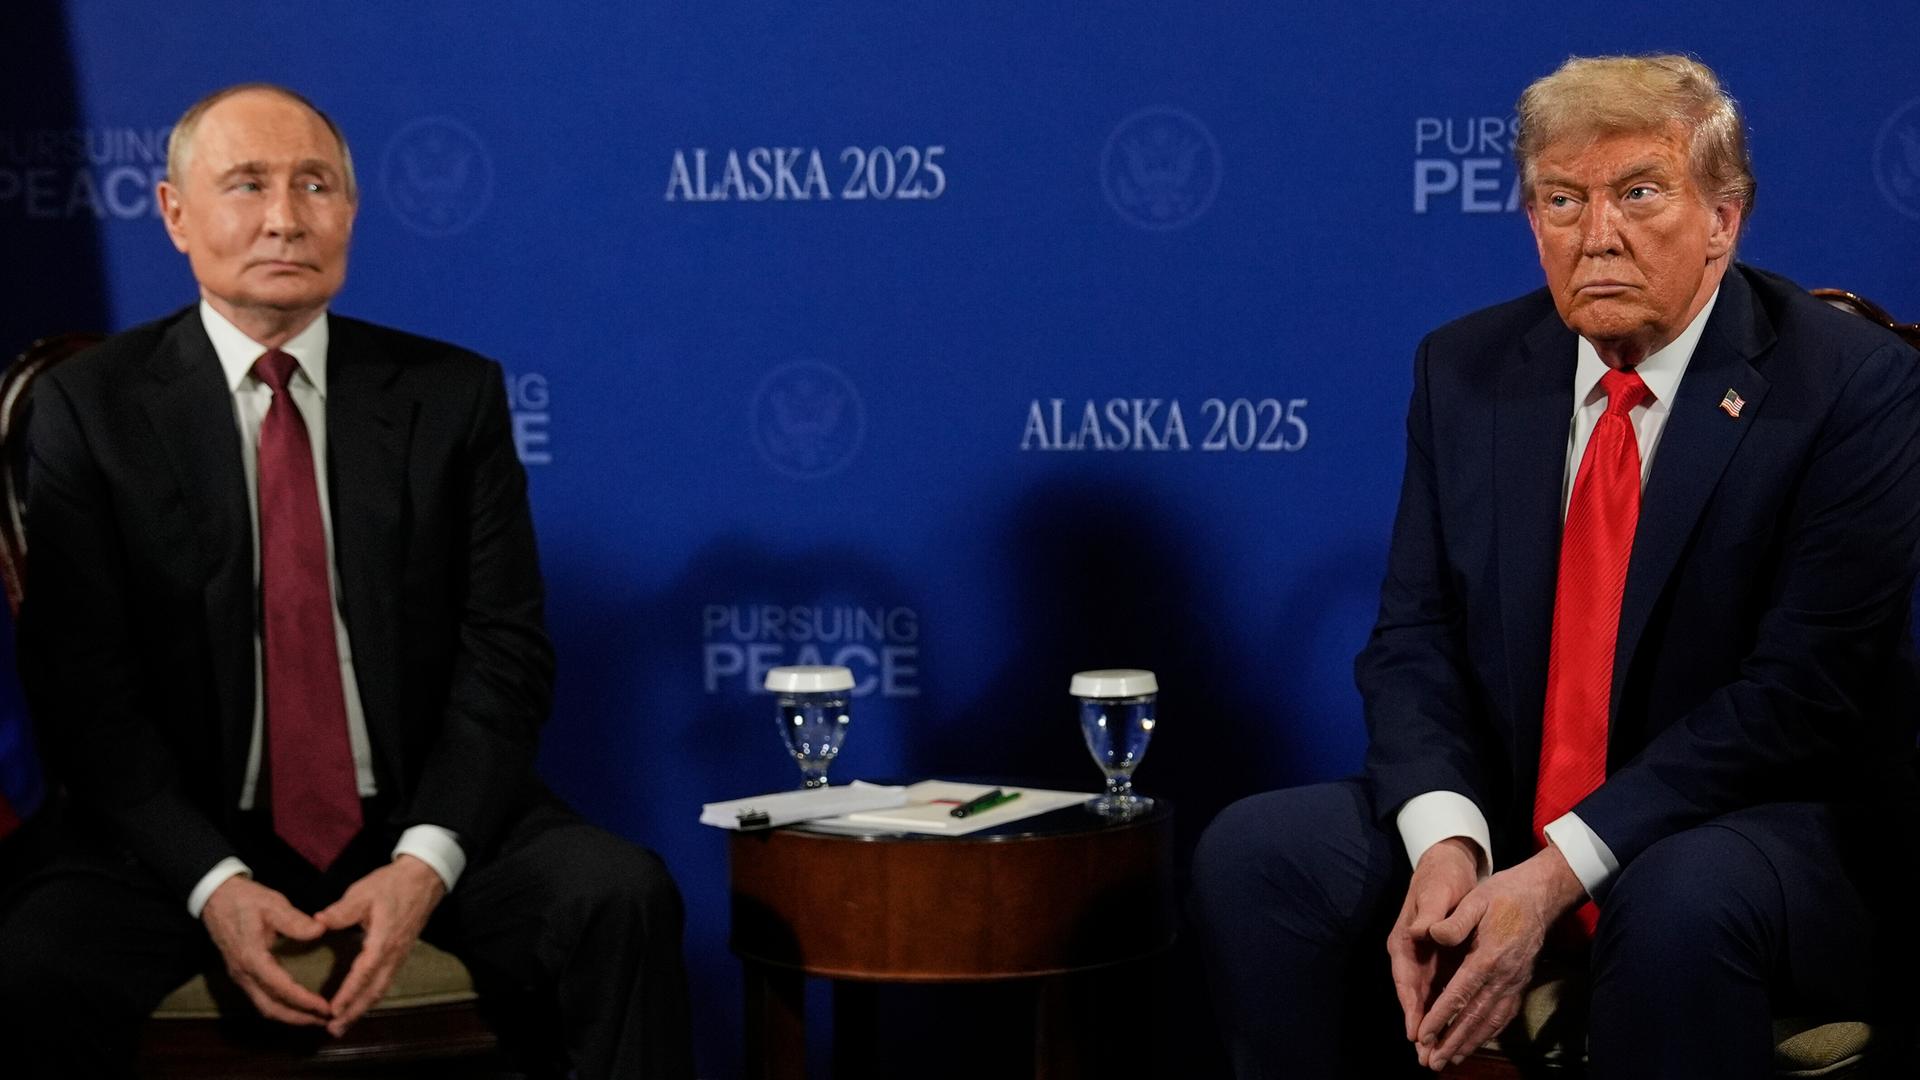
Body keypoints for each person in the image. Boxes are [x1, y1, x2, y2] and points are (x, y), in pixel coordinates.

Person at [1191, 54, 1920, 1079]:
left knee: (1675, 897)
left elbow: (1802, 697)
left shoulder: (1848, 385)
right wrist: (1449, 843)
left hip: (1762, 826)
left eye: (1639, 193)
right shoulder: (1466, 370)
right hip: (1515, 805)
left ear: (1724, 219)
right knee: (1260, 854)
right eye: (1563, 200)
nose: (1597, 235)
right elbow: (1415, 641)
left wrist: (1559, 871)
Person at [0, 83, 695, 1079]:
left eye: (315, 185)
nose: (286, 217)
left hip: (411, 814)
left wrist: (425, 862)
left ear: (352, 212)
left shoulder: (450, 396)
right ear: (175, 214)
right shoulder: (92, 407)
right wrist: (213, 881)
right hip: (176, 835)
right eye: (248, 184)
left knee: (617, 896)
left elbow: (504, 656)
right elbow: (83, 690)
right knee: (32, 959)